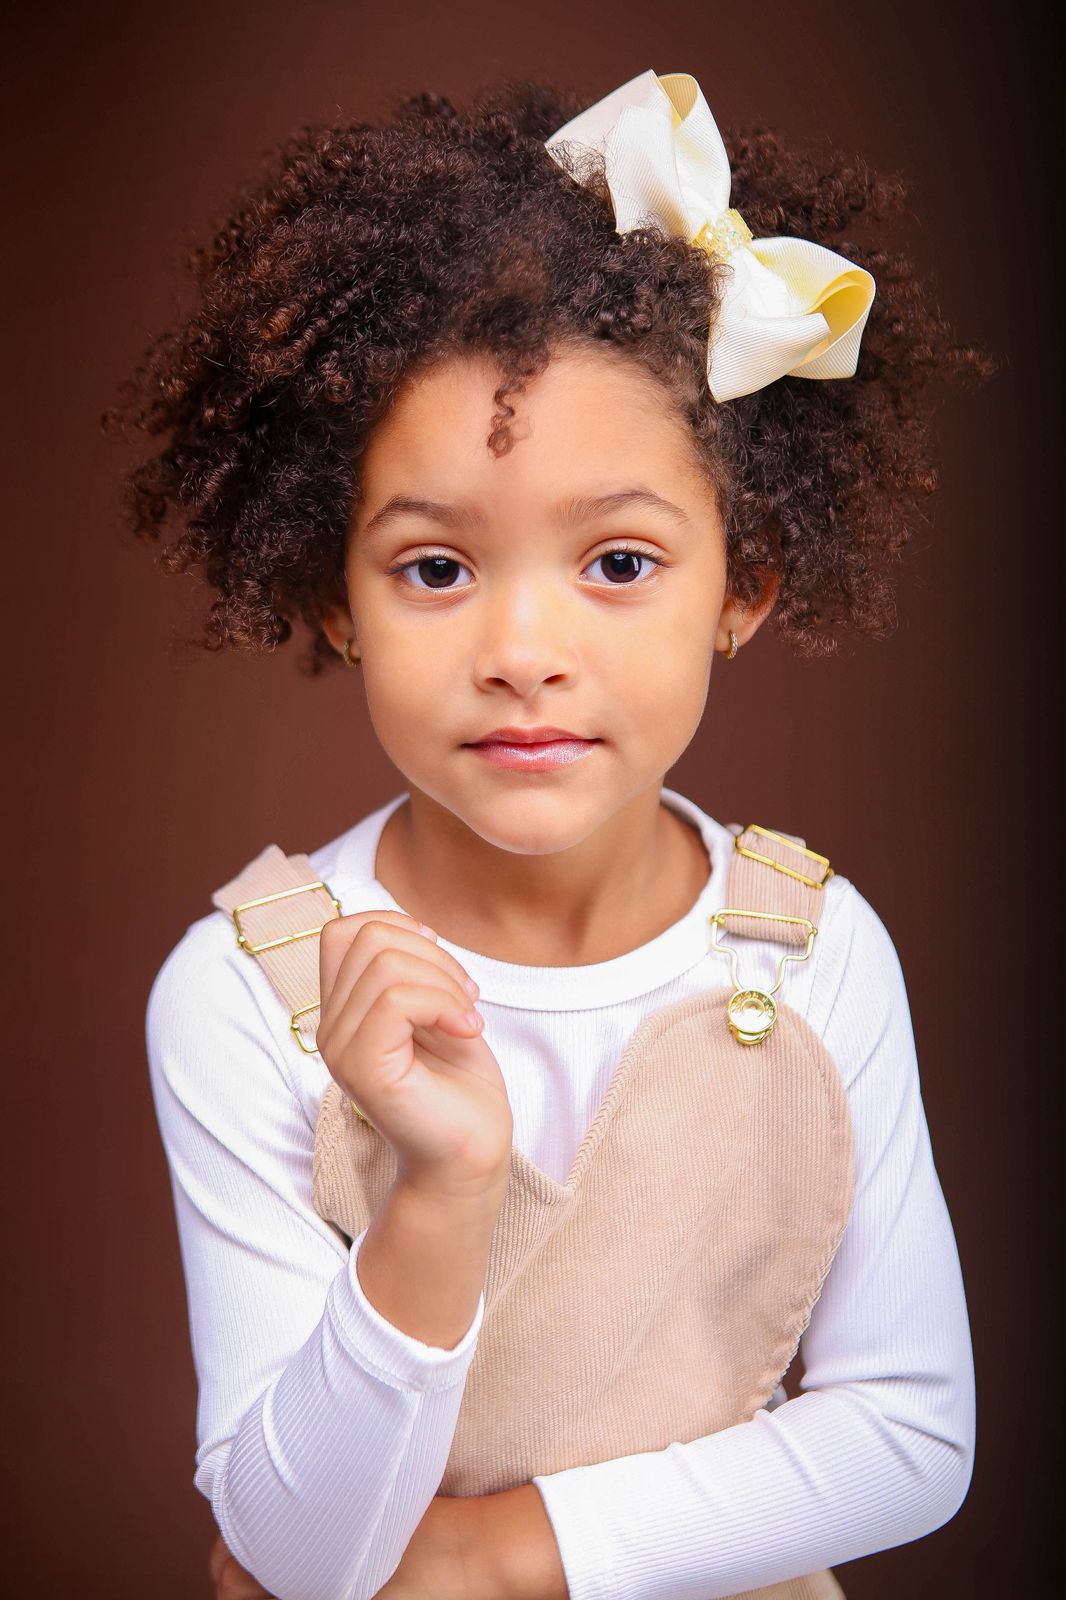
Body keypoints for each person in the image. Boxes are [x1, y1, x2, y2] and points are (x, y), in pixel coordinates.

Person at [111, 67, 994, 1600]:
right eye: (435, 569)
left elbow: (909, 1432)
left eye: (620, 562)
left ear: (743, 587)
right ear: (334, 597)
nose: (523, 651)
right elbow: (294, 1555)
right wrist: (442, 1187)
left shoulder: (812, 952)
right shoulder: (244, 995)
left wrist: (498, 1556)